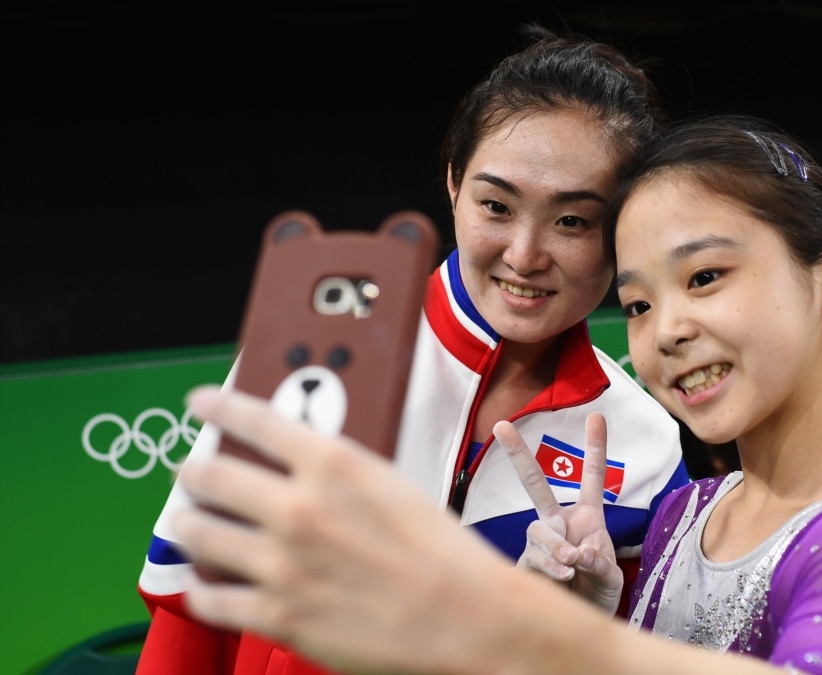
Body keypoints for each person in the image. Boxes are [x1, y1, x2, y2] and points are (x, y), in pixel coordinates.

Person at [167, 113, 822, 674]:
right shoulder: (688, 515)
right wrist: (589, 609)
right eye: (638, 303)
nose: (668, 330)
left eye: (705, 276)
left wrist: (534, 631)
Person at [134, 24, 691, 675]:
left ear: (623, 227)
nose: (525, 255)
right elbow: (191, 619)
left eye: (573, 220)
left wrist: (569, 629)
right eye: (497, 205)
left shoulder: (644, 442)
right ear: (453, 183)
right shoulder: (318, 354)